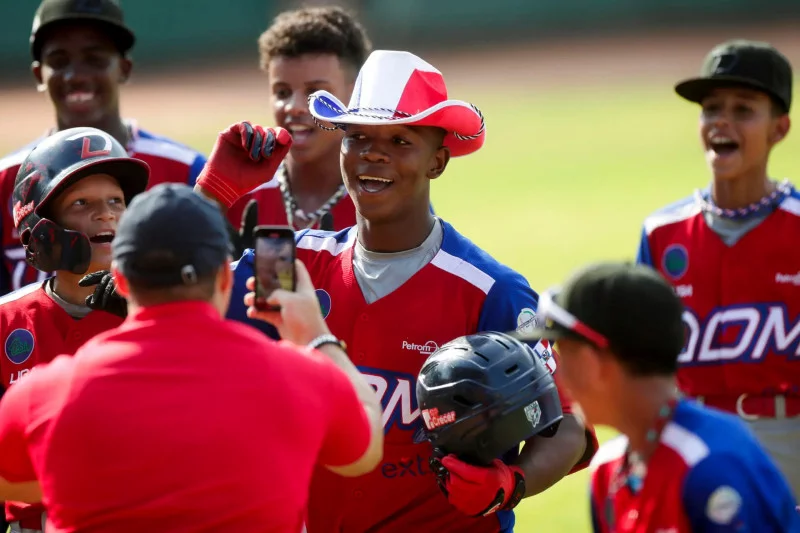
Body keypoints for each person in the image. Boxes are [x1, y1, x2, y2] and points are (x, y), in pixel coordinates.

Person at [218, 50, 597, 533]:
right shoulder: (289, 264)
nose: (374, 154)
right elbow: (168, 297)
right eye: (357, 138)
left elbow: (570, 425)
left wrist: (511, 483)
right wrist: (216, 193)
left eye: (400, 140)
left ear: (438, 161)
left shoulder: (495, 290)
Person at [0, 182, 384, 533]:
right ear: (224, 278)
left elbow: (10, 481)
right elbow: (365, 450)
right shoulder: (300, 379)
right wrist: (315, 335)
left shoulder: (48, 394)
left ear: (119, 279)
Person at [514, 262, 800, 532]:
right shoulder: (608, 470)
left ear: (593, 362)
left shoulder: (710, 464)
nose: (560, 378)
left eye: (567, 355)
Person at [635, 39, 800, 496]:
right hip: (694, 444)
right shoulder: (661, 233)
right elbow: (644, 368)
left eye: (743, 109)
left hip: (789, 444)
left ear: (779, 128)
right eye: (711, 109)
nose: (721, 121)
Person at [0, 0, 207, 296]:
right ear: (38, 75)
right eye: (59, 61)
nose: (76, 75)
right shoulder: (7, 180)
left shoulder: (186, 170)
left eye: (94, 59)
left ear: (124, 68)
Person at [0, 126, 150, 532]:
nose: (106, 214)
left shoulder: (159, 317)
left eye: (117, 201)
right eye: (82, 202)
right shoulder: (7, 321)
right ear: (42, 229)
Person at [227, 5, 372, 249]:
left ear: (356, 93)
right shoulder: (240, 195)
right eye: (282, 92)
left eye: (315, 92)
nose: (293, 107)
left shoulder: (383, 199)